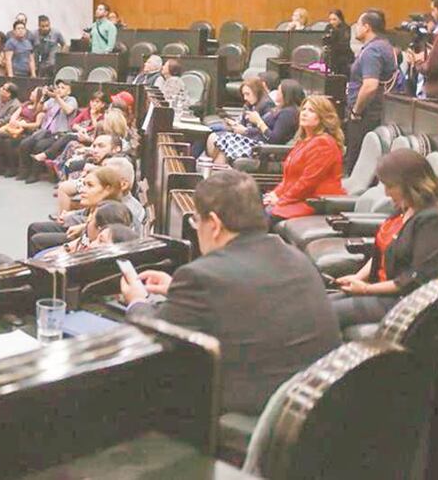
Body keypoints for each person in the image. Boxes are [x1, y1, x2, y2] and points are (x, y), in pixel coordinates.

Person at [121, 170, 340, 414]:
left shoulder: (201, 276)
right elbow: (250, 301)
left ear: (214, 225)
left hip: (250, 417)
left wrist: (137, 301)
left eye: (196, 221)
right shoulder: (297, 258)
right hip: (313, 410)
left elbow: (154, 340)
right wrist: (176, 291)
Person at [331, 149, 438, 327]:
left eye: (390, 186)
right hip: (381, 291)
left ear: (410, 184)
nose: (386, 193)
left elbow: (416, 279)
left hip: (406, 302)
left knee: (324, 315)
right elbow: (383, 251)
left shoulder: (435, 220)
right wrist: (358, 278)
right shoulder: (405, 208)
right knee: (317, 305)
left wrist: (367, 289)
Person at [263, 95, 345, 223]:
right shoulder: (305, 141)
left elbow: (307, 183)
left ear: (323, 117)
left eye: (311, 111)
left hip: (314, 202)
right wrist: (275, 193)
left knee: (262, 216)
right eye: (304, 109)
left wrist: (281, 200)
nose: (304, 113)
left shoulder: (323, 144)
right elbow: (289, 179)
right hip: (299, 199)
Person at [344, 10, 398, 174]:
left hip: (365, 116)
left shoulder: (372, 51)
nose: (356, 28)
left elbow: (370, 86)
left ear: (367, 27)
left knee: (356, 166)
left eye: (358, 25)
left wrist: (356, 111)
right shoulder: (384, 45)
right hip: (377, 111)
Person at [209, 79, 302, 164]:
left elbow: (274, 139)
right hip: (256, 142)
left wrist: (258, 121)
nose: (276, 92)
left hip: (262, 149)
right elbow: (259, 130)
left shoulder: (288, 113)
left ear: (286, 94)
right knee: (221, 139)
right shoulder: (280, 109)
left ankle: (218, 169)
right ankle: (217, 169)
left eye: (279, 91)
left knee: (223, 139)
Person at [16, 80, 79, 182]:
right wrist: (43, 97)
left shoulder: (71, 100)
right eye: (58, 87)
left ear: (69, 91)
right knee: (25, 143)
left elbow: (68, 111)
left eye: (63, 88)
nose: (59, 89)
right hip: (45, 131)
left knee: (39, 146)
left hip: (60, 134)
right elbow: (38, 110)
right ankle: (24, 171)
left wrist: (57, 97)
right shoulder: (51, 100)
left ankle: (34, 174)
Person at [0, 87, 46, 176]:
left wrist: (22, 125)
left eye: (34, 92)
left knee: (9, 142)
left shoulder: (40, 109)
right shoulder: (26, 104)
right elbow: (15, 115)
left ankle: (12, 168)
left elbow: (37, 124)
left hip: (26, 132)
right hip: (15, 128)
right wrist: (14, 121)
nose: (31, 92)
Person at [321, 9, 354, 76]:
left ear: (340, 19)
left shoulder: (346, 28)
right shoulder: (328, 27)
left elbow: (344, 44)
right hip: (331, 55)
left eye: (334, 19)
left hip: (344, 57)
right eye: (330, 19)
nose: (332, 22)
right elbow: (325, 40)